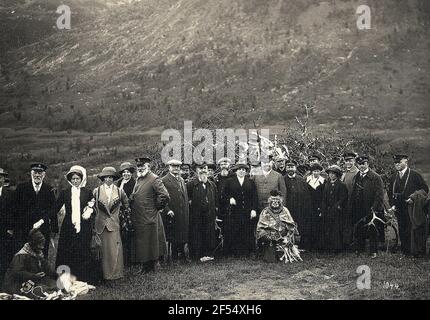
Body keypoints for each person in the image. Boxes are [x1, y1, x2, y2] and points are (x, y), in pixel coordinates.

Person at [54, 166, 95, 283]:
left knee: (82, 250)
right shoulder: (65, 193)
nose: (75, 181)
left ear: (81, 179)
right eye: (73, 179)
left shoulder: (87, 192)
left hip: (84, 227)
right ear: (70, 180)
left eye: (77, 178)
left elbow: (93, 208)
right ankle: (65, 278)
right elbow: (56, 208)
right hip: (68, 226)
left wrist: (89, 211)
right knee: (67, 251)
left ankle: (83, 277)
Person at [129, 157, 169, 272]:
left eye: (142, 166)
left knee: (151, 240)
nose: (140, 168)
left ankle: (154, 264)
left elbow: (164, 195)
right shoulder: (139, 178)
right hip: (139, 216)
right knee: (143, 241)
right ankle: (146, 265)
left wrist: (156, 207)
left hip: (149, 216)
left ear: (148, 166)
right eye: (138, 166)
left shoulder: (154, 179)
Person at [388, 154, 429, 255]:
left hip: (412, 208)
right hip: (399, 208)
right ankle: (405, 249)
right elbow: (390, 192)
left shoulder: (415, 175)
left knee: (413, 229)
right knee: (402, 227)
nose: (397, 164)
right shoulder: (394, 177)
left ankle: (415, 251)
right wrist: (392, 205)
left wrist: (414, 197)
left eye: (399, 162)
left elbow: (425, 189)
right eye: (395, 163)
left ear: (406, 162)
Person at [14, 163, 57, 257]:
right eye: (35, 172)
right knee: (24, 256)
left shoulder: (49, 190)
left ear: (44, 175)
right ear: (31, 173)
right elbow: (15, 209)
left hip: (42, 230)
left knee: (41, 256)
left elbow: (53, 210)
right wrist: (15, 228)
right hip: (24, 229)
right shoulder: (21, 188)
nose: (37, 175)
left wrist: (54, 229)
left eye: (40, 173)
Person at [93, 167, 129, 280]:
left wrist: (122, 216)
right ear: (102, 178)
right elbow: (92, 206)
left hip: (114, 224)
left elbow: (126, 205)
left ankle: (116, 275)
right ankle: (103, 275)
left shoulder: (119, 191)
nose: (108, 179)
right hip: (100, 225)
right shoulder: (96, 191)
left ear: (114, 178)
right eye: (106, 177)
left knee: (115, 250)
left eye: (110, 177)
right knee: (102, 250)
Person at [349, 155, 384, 258]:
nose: (361, 166)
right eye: (359, 164)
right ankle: (360, 248)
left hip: (370, 208)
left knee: (372, 229)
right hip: (358, 208)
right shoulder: (357, 176)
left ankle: (373, 251)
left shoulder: (375, 177)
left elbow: (379, 195)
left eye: (363, 164)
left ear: (367, 164)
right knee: (359, 228)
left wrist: (374, 208)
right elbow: (353, 192)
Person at [2, 229, 57, 295]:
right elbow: (17, 273)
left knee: (56, 285)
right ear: (33, 244)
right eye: (40, 245)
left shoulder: (38, 254)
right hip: (19, 284)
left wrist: (58, 275)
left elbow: (47, 268)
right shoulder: (21, 256)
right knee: (43, 291)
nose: (42, 247)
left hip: (33, 280)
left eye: (43, 244)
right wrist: (34, 276)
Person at [222, 163, 258, 257]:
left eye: (243, 170)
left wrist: (254, 209)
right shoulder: (229, 181)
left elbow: (255, 197)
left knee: (248, 231)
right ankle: (233, 252)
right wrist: (230, 198)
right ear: (236, 171)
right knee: (234, 231)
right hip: (234, 211)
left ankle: (249, 252)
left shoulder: (250, 182)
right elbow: (223, 194)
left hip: (247, 211)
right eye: (239, 169)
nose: (241, 171)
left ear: (246, 172)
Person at [187, 162, 218, 261]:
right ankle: (196, 255)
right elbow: (187, 200)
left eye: (205, 168)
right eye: (200, 168)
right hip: (196, 216)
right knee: (196, 234)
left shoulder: (212, 185)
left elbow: (216, 200)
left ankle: (208, 254)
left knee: (209, 234)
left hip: (209, 216)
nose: (203, 170)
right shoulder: (190, 185)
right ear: (196, 170)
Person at [256, 190, 297, 263]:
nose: (275, 202)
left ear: (280, 201)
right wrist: (267, 236)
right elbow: (260, 228)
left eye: (277, 200)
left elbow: (292, 225)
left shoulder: (285, 210)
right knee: (270, 259)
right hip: (271, 239)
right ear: (269, 201)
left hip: (283, 238)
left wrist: (288, 236)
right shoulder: (265, 211)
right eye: (273, 200)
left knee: (282, 257)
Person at [161, 159, 190, 262]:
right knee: (173, 235)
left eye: (178, 167)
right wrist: (167, 209)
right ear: (169, 167)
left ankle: (182, 255)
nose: (176, 168)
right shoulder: (164, 180)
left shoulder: (181, 180)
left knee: (182, 233)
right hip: (172, 212)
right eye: (173, 166)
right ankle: (173, 257)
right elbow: (161, 198)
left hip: (182, 212)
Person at [284, 160, 313, 250]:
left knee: (301, 226)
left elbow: (306, 194)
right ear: (286, 168)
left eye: (292, 167)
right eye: (288, 167)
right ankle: (288, 245)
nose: (290, 169)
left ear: (295, 168)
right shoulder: (283, 179)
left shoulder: (301, 179)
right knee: (288, 226)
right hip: (288, 208)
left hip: (300, 207)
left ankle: (301, 245)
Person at [320, 165, 349, 253]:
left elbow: (343, 198)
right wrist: (323, 208)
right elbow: (324, 198)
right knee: (328, 227)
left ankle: (337, 247)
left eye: (333, 174)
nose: (331, 175)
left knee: (336, 228)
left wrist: (337, 206)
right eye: (330, 173)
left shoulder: (341, 185)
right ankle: (328, 246)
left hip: (337, 211)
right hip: (327, 210)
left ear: (337, 175)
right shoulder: (327, 184)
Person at [115, 161, 136, 268]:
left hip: (129, 212)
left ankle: (130, 260)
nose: (126, 174)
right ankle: (123, 259)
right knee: (122, 235)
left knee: (129, 235)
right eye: (124, 172)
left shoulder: (134, 183)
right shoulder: (119, 183)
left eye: (128, 172)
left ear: (131, 173)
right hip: (120, 212)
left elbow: (133, 198)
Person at [0, 168, 15, 285]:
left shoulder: (10, 194)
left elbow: (15, 212)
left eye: (1, 177)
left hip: (5, 233)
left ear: (4, 179)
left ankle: (3, 285)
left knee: (4, 258)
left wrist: (11, 229)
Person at [306, 163, 325, 249]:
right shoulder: (307, 179)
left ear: (320, 172)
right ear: (311, 172)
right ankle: (309, 243)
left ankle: (318, 244)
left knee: (318, 223)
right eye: (314, 171)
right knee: (310, 222)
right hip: (309, 204)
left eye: (317, 171)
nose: (316, 173)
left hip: (319, 204)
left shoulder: (323, 180)